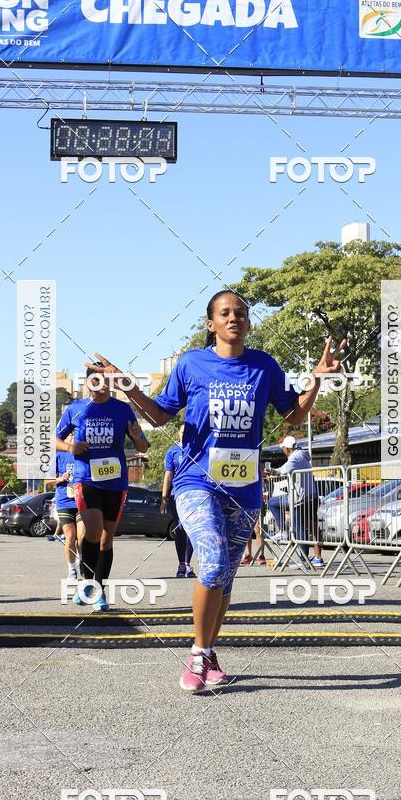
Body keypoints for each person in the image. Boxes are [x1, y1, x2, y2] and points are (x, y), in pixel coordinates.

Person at [87, 290, 345, 692]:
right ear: (211, 324)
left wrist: (317, 378)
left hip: (243, 488)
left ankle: (208, 652)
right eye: (225, 313)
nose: (234, 318)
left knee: (225, 576)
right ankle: (196, 654)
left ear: (248, 322)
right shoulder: (192, 363)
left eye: (240, 313)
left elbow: (294, 415)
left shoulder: (264, 367)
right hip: (196, 480)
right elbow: (158, 415)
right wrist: (127, 385)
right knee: (209, 561)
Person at [55, 365, 150, 612]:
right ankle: (89, 585)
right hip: (86, 480)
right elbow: (53, 439)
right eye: (98, 380)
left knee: (107, 540)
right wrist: (69, 448)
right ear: (88, 383)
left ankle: (97, 590)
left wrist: (138, 436)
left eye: (107, 380)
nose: (104, 384)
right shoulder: (75, 409)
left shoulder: (122, 409)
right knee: (93, 531)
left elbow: (144, 446)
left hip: (116, 481)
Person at [268, 436, 322, 569]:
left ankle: (303, 559)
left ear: (287, 448)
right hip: (311, 496)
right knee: (313, 527)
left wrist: (270, 471)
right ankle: (316, 558)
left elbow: (282, 470)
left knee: (299, 528)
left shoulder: (294, 458)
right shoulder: (302, 455)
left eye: (283, 449)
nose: (283, 451)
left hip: (299, 498)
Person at [161, 424, 195, 578]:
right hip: (177, 495)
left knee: (191, 528)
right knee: (180, 528)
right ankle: (181, 563)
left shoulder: (198, 449)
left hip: (195, 494)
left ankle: (188, 563)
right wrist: (164, 498)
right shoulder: (172, 451)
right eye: (183, 432)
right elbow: (168, 476)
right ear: (178, 434)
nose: (185, 434)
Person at [48, 444, 85, 581]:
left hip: (81, 500)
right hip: (64, 501)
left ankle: (82, 561)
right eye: (71, 433)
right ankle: (72, 570)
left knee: (82, 537)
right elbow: (47, 480)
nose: (74, 436)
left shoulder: (84, 452)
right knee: (70, 537)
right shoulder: (58, 455)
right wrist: (61, 479)